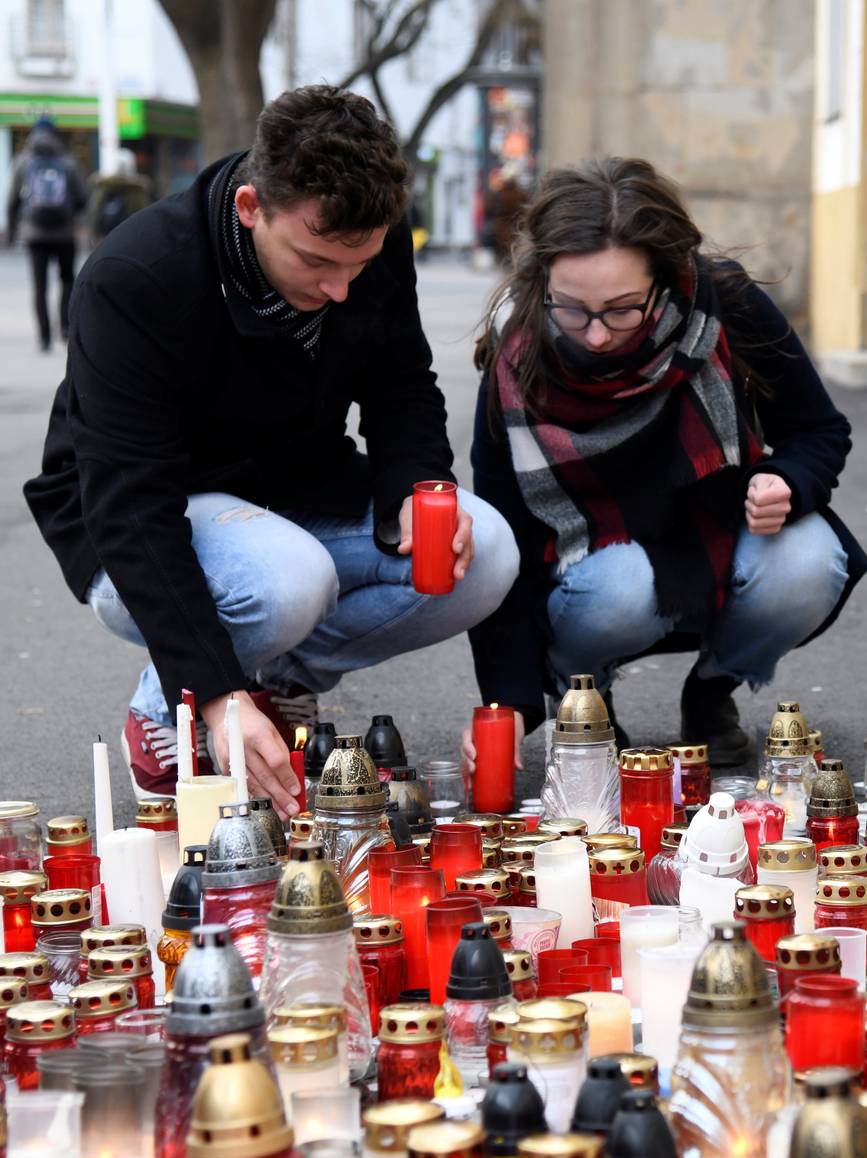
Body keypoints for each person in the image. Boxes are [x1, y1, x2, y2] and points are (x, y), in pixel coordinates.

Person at [24, 86, 519, 815]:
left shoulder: (361, 241)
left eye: (361, 262)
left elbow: (402, 386)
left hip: (294, 488)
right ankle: (168, 713)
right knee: (289, 582)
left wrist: (415, 486)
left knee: (487, 556)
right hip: (139, 519)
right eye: (317, 260)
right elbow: (130, 504)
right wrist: (213, 694)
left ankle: (279, 684)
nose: (342, 288)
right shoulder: (137, 278)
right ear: (252, 206)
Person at [462, 158, 867, 775]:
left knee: (808, 561)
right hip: (596, 575)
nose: (596, 335)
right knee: (619, 588)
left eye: (623, 308)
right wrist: (511, 703)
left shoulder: (726, 305)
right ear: (542, 281)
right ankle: (586, 699)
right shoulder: (518, 350)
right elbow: (505, 540)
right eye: (572, 308)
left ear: (666, 276)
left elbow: (818, 429)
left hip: (722, 534)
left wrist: (786, 480)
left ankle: (712, 692)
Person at [6, 116, 88, 351]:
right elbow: (83, 199)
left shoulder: (23, 161)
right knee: (67, 281)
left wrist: (13, 232)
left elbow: (12, 200)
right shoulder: (68, 161)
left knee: (40, 286)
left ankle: (44, 337)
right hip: (64, 233)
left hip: (34, 233)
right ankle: (64, 327)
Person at [85, 148, 154, 247]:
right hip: (130, 236)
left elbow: (94, 211)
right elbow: (143, 215)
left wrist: (92, 234)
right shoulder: (137, 188)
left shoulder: (103, 185)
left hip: (106, 235)